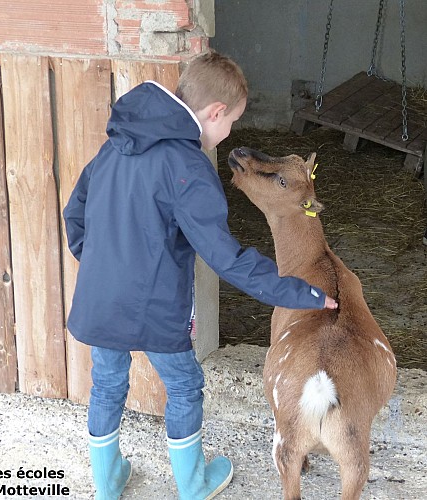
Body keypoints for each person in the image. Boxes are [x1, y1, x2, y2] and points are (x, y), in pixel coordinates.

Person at [63, 50, 338, 500]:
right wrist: (300, 292)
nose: (230, 134)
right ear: (215, 113)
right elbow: (226, 258)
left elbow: (75, 213)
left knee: (108, 382)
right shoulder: (189, 168)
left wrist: (97, 264)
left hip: (100, 297)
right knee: (185, 385)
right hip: (154, 306)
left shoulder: (116, 143)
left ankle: (106, 481)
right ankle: (193, 483)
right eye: (232, 123)